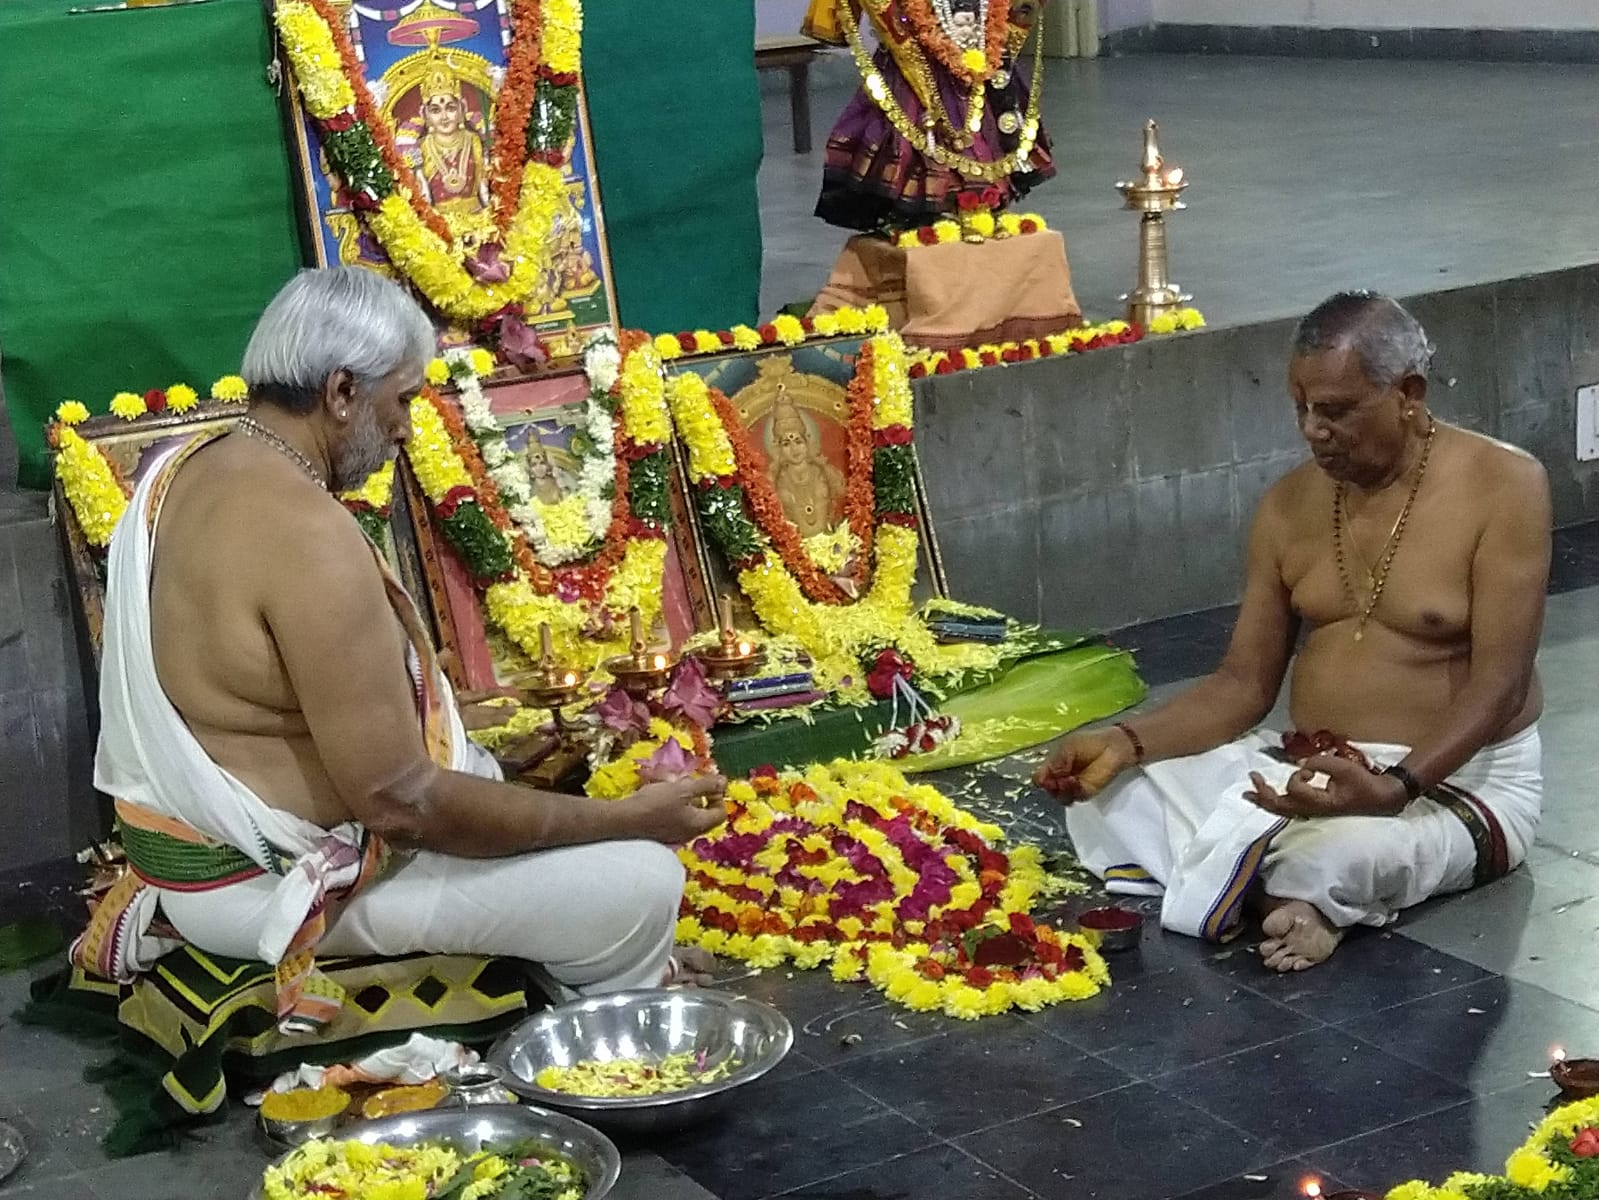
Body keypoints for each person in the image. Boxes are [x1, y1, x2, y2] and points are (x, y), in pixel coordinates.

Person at [78, 266, 727, 1033]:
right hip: (267, 886)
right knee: (638, 882)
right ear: (343, 391)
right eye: (405, 400)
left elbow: (271, 705)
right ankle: (608, 1022)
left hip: (197, 861)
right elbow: (401, 804)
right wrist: (628, 819)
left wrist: (458, 731)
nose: (408, 428)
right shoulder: (308, 538)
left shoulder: (183, 470)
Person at [1038, 292, 1549, 972]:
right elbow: (1241, 684)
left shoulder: (1504, 485)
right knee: (1110, 796)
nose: (1311, 429)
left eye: (1334, 410)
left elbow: (1499, 682)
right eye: (1300, 407)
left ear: (1408, 393)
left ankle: (1282, 891)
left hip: (1453, 784)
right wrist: (1124, 742)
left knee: (1340, 853)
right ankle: (1275, 894)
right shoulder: (1286, 505)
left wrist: (1395, 787)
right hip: (1307, 769)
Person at [804, 0, 1054, 232]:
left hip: (977, 46)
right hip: (914, 53)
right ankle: (920, 213)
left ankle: (976, 205)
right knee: (915, 128)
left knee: (978, 119)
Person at [412, 52, 490, 225]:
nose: (444, 117)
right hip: (440, 225)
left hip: (478, 219)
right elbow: (423, 194)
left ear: (461, 110)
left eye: (450, 108)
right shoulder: (422, 147)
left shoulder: (474, 141)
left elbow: (483, 186)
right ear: (426, 115)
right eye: (435, 110)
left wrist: (491, 219)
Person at [767, 397, 845, 538]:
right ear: (778, 448)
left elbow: (843, 500)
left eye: (798, 441)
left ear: (807, 442)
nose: (794, 449)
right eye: (786, 444)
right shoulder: (777, 480)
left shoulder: (824, 473)